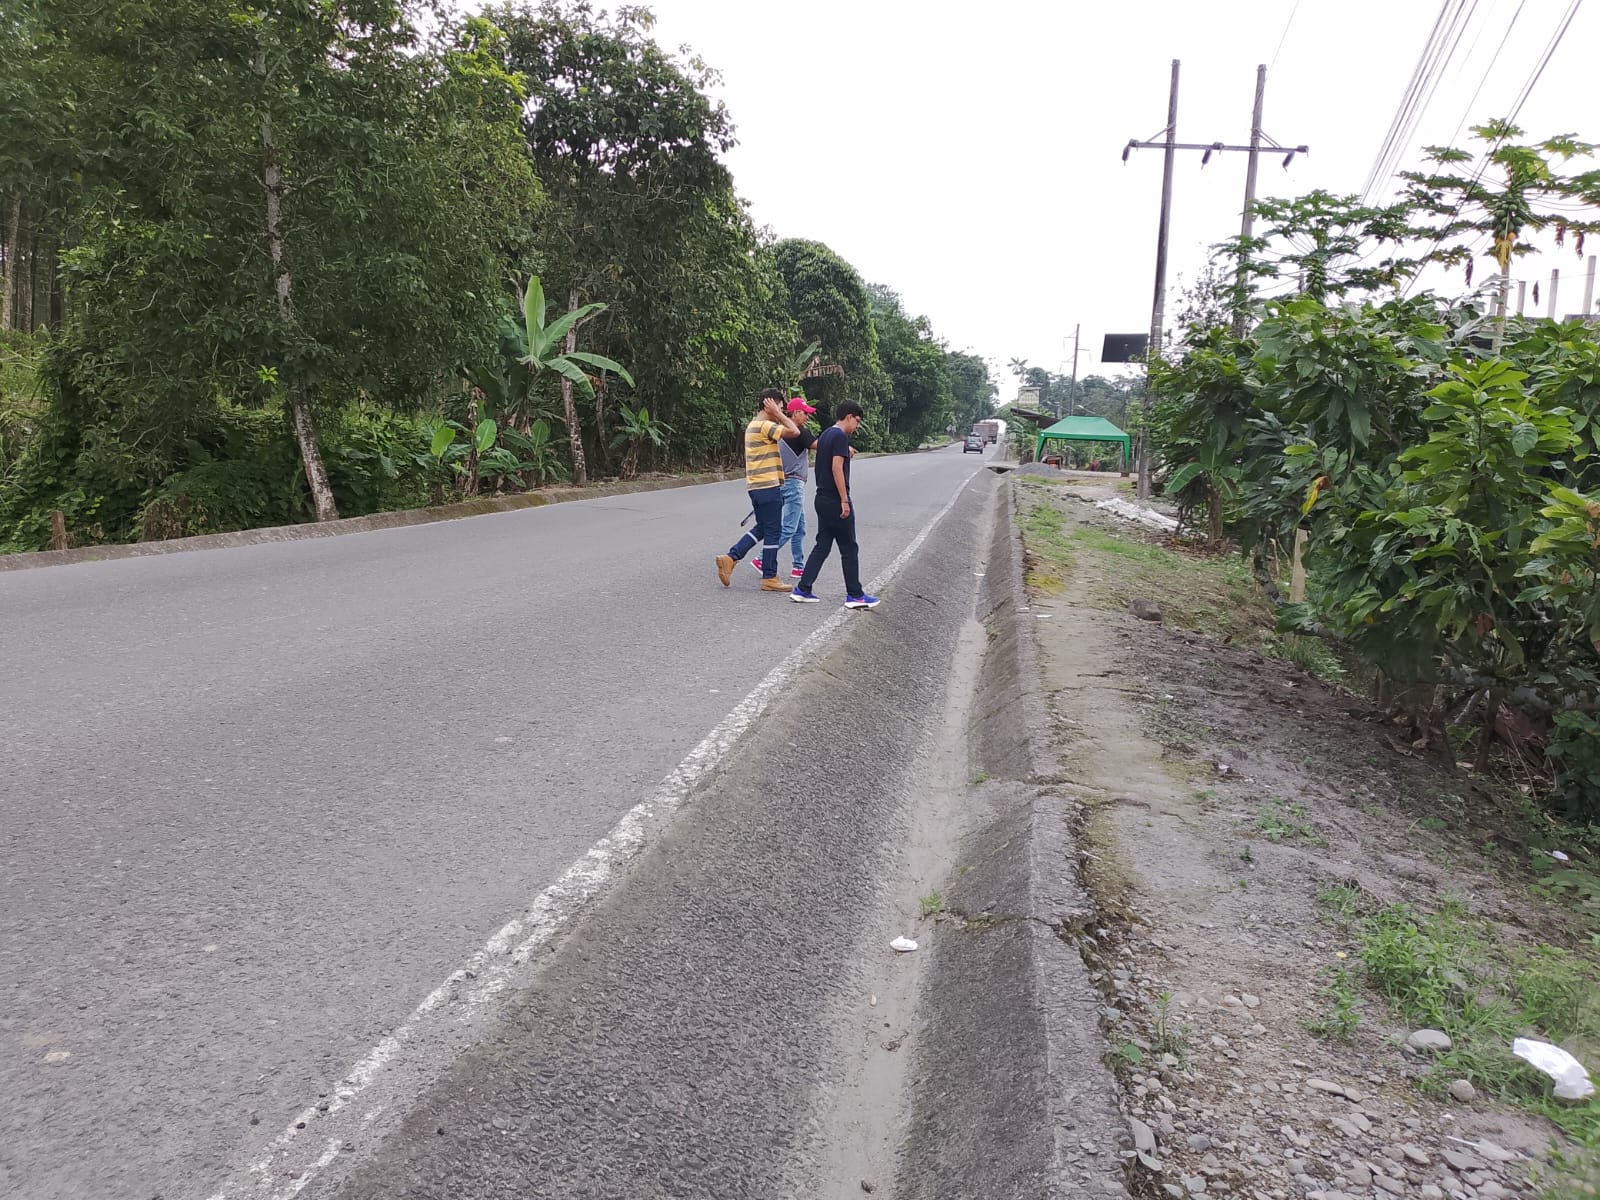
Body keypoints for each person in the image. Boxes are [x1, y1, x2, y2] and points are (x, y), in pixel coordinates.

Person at [790, 399, 879, 609]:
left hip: (821, 497)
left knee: (823, 545)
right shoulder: (840, 436)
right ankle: (855, 595)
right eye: (857, 421)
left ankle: (803, 588)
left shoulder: (826, 434)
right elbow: (836, 468)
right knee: (849, 547)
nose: (857, 426)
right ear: (848, 417)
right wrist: (844, 500)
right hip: (835, 499)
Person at [715, 389, 802, 592]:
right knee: (774, 531)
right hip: (768, 485)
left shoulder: (753, 425)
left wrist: (776, 413)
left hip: (756, 486)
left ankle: (731, 558)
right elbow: (795, 431)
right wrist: (778, 414)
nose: (782, 411)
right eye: (780, 407)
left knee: (763, 528)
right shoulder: (765, 426)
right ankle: (770, 577)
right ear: (768, 404)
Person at [738, 396, 818, 578]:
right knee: (788, 527)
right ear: (795, 413)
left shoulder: (777, 431)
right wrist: (841, 446)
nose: (807, 417)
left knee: (799, 528)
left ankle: (798, 566)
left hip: (780, 482)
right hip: (792, 483)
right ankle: (762, 559)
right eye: (805, 413)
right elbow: (819, 445)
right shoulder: (797, 432)